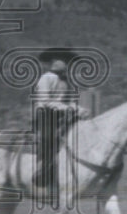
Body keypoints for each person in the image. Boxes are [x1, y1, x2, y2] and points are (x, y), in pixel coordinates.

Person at [32, 49, 88, 188]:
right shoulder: (46, 78)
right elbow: (45, 101)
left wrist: (78, 109)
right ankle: (43, 170)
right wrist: (68, 108)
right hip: (46, 115)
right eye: (64, 61)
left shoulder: (66, 81)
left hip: (62, 116)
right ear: (54, 62)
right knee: (49, 139)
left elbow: (68, 101)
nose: (67, 64)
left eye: (68, 62)